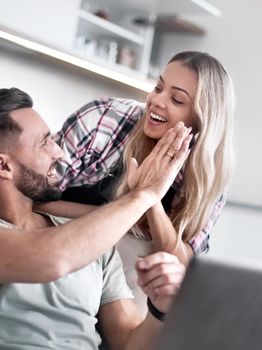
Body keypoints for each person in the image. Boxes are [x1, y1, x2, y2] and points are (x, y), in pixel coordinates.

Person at [0, 87, 190, 349]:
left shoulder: (95, 245)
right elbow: (53, 258)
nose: (59, 152)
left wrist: (160, 310)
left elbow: (127, 342)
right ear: (3, 166)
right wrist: (142, 196)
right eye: (45, 142)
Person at [43, 50, 235, 263]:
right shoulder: (104, 118)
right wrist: (130, 215)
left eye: (177, 99)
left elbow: (183, 261)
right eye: (158, 88)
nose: (156, 101)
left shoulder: (209, 175)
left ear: (202, 119)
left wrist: (149, 197)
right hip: (56, 240)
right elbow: (30, 200)